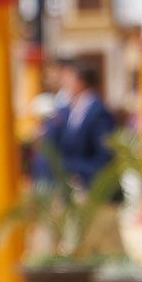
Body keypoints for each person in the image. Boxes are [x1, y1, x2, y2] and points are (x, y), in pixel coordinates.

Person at [43, 59, 117, 190]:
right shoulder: (67, 110)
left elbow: (104, 155)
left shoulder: (97, 112)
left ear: (80, 80)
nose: (63, 82)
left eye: (67, 77)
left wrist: (79, 173)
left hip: (88, 182)